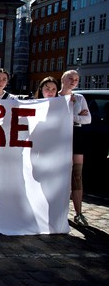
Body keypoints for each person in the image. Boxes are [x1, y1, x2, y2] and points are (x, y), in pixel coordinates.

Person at [58, 70, 91, 226]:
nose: (73, 81)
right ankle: (58, 211)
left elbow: (87, 119)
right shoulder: (54, 96)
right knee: (57, 175)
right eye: (70, 78)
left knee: (77, 175)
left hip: (76, 137)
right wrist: (77, 116)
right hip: (57, 138)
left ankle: (79, 213)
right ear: (63, 79)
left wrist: (70, 116)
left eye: (76, 79)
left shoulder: (79, 98)